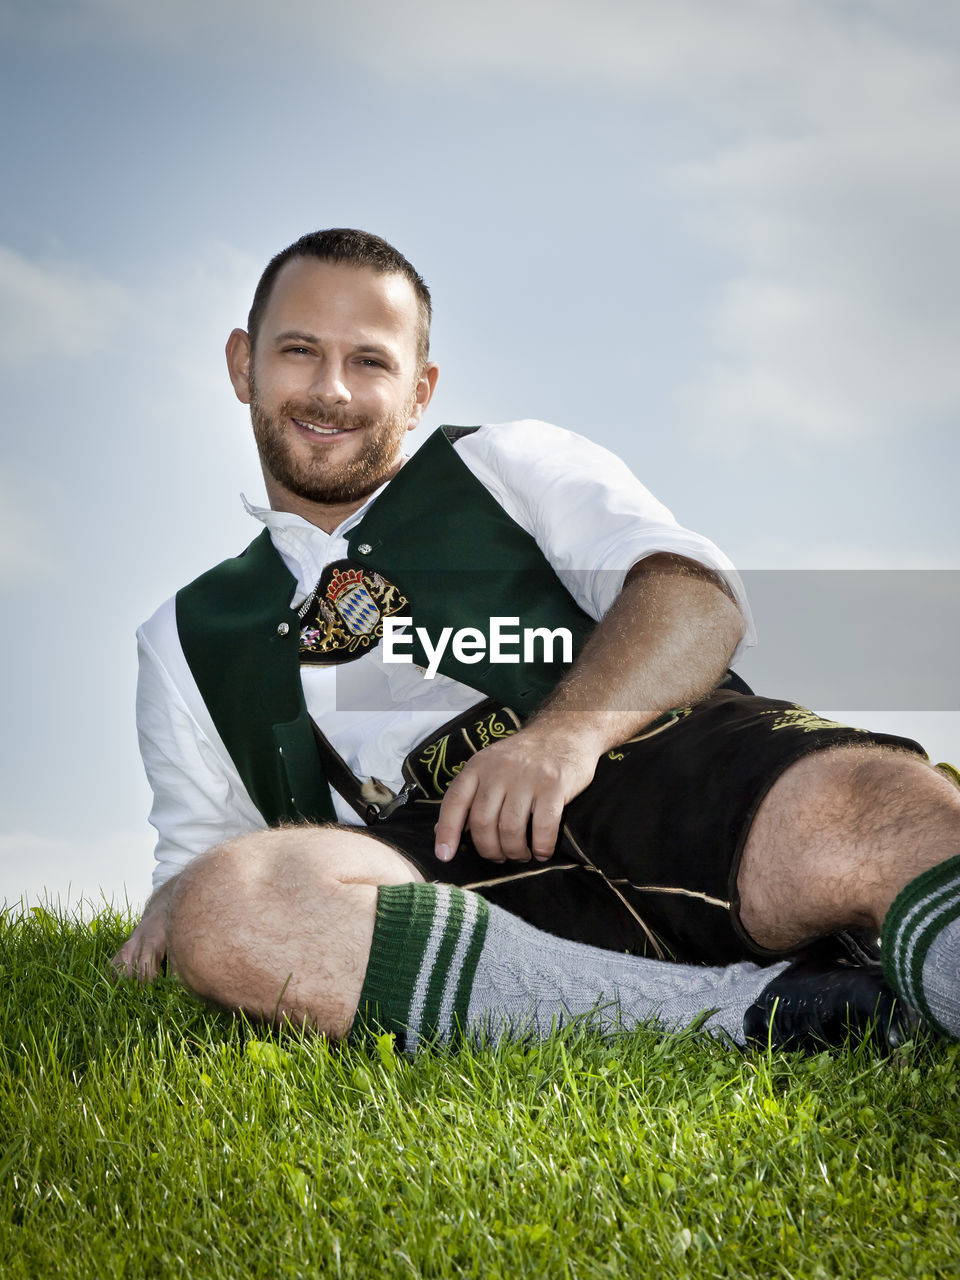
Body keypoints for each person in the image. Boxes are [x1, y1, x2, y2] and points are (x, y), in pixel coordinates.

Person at [112, 228, 960, 1052]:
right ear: (241, 364)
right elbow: (194, 860)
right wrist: (183, 904)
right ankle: (755, 1016)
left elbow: (695, 597)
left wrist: (563, 737)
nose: (332, 389)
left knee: (886, 808)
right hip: (440, 876)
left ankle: (868, 956)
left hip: (657, 768)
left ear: (420, 390)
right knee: (230, 901)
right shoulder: (184, 636)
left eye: (370, 360)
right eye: (299, 350)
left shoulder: (506, 462)